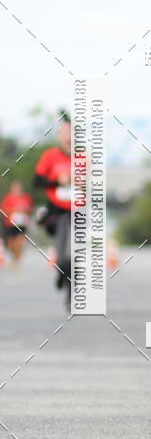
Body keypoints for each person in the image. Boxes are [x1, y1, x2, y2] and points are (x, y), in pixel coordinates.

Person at [33, 116, 72, 309]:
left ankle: (70, 296)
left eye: (72, 133)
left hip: (78, 212)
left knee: (72, 255)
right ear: (60, 136)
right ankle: (61, 272)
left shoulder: (84, 158)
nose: (69, 137)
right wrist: (57, 182)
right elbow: (37, 182)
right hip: (57, 212)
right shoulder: (50, 156)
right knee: (62, 257)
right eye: (65, 133)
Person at [0, 181, 34, 267]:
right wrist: (14, 209)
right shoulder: (8, 198)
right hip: (10, 224)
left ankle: (17, 259)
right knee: (11, 243)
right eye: (15, 188)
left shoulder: (26, 197)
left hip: (22, 224)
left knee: (19, 241)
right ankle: (13, 256)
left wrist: (26, 211)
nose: (17, 190)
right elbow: (3, 210)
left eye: (19, 188)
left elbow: (30, 209)